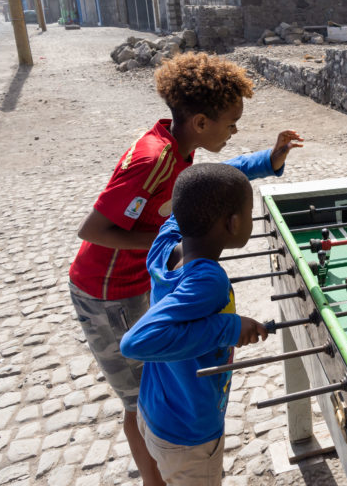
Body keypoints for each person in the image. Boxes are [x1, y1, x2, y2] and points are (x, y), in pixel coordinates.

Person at [67, 52, 302, 485]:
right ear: (200, 123)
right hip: (106, 290)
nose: (234, 132)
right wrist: (162, 239)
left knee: (160, 383)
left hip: (144, 277)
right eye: (231, 124)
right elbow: (93, 229)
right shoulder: (153, 160)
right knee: (140, 399)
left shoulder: (180, 149)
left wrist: (267, 161)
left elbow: (214, 180)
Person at [121, 163, 269, 485]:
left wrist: (263, 162)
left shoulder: (164, 243)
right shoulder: (207, 279)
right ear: (232, 223)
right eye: (250, 212)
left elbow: (191, 196)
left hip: (155, 410)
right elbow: (134, 342)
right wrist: (229, 328)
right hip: (188, 433)